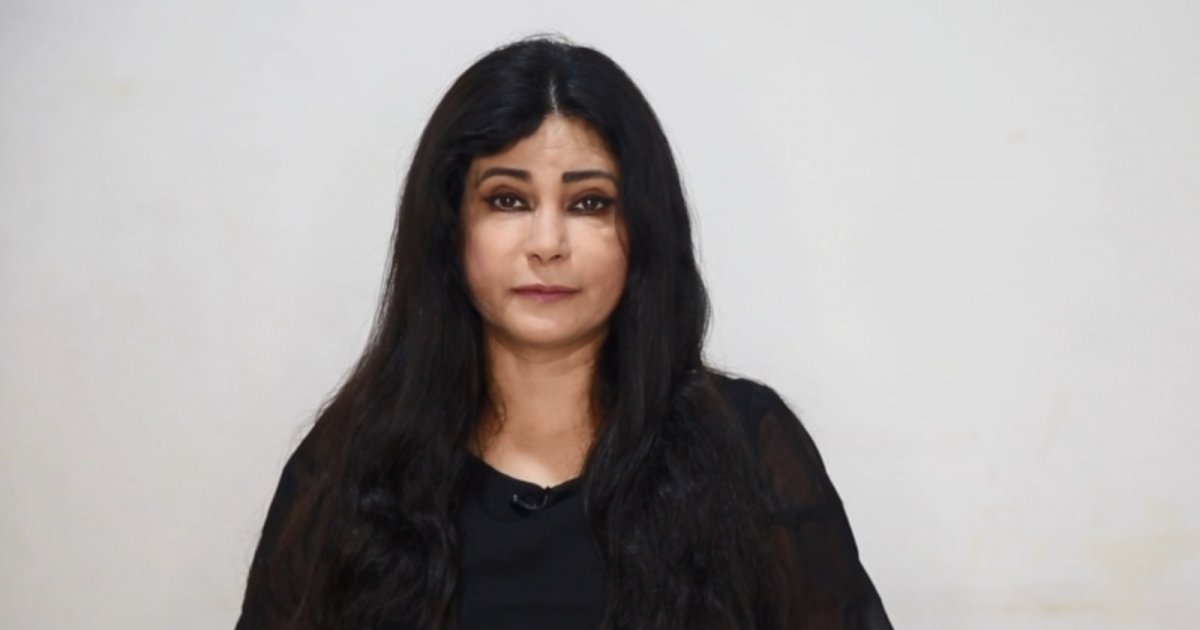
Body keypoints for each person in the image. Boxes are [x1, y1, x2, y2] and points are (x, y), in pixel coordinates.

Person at [235, 35, 892, 630]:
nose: (547, 243)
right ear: (449, 227)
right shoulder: (349, 464)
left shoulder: (748, 445)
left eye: (589, 204)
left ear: (643, 229)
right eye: (507, 199)